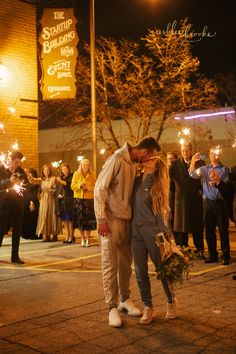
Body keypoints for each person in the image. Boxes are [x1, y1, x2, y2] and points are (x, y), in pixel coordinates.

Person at [94, 136, 161, 328]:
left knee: (125, 263)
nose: (150, 160)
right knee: (110, 264)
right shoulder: (116, 159)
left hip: (127, 221)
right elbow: (99, 188)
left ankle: (125, 299)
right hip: (110, 219)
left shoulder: (132, 163)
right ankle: (111, 307)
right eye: (151, 156)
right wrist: (101, 219)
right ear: (145, 152)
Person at [131, 155, 177, 324]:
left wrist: (165, 235)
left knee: (162, 268)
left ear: (156, 167)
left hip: (152, 231)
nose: (146, 160)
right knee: (140, 271)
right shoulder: (135, 179)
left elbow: (160, 212)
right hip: (135, 231)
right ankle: (148, 306)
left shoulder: (157, 184)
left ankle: (171, 301)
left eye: (151, 160)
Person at [189, 146, 231, 265]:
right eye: (212, 154)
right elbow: (192, 174)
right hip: (207, 203)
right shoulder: (204, 169)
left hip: (220, 203)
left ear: (219, 155)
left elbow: (227, 185)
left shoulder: (224, 169)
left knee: (223, 230)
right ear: (210, 155)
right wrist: (193, 161)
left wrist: (218, 180)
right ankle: (212, 255)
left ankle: (225, 255)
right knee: (209, 231)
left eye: (216, 154)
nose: (214, 156)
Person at [169, 143, 205, 257]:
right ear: (181, 151)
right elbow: (169, 179)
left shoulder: (199, 163)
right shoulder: (175, 164)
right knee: (182, 227)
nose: (185, 152)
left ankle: (200, 250)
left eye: (187, 150)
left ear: (191, 151)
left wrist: (201, 191)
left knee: (197, 227)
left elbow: (203, 179)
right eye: (183, 150)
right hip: (181, 200)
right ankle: (183, 249)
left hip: (195, 199)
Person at [0, 151, 29, 264]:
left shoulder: (22, 172)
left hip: (18, 206)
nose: (18, 164)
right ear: (11, 161)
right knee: (1, 230)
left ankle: (15, 256)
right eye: (16, 161)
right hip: (4, 205)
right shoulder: (2, 170)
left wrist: (25, 182)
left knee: (17, 231)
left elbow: (27, 187)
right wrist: (8, 181)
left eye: (20, 161)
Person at [28, 164, 60, 242]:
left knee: (52, 216)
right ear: (43, 171)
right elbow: (33, 180)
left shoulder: (53, 179)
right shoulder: (42, 179)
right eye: (45, 170)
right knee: (44, 216)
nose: (46, 171)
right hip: (44, 200)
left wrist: (50, 191)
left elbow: (57, 190)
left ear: (50, 171)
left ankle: (55, 235)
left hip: (52, 199)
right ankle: (46, 235)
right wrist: (28, 175)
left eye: (48, 170)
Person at [71, 159, 96, 247]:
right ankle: (82, 238)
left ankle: (88, 238)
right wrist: (79, 186)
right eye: (83, 165)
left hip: (89, 199)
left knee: (88, 220)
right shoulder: (76, 174)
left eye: (87, 165)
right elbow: (72, 186)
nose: (85, 166)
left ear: (89, 166)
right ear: (81, 165)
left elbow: (95, 186)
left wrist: (88, 187)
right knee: (80, 220)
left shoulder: (93, 174)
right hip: (79, 199)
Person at [56, 163, 74, 243]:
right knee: (65, 220)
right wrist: (60, 194)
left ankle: (71, 236)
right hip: (63, 201)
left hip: (70, 200)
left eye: (66, 169)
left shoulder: (71, 176)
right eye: (63, 169)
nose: (64, 170)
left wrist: (61, 181)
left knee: (70, 219)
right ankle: (67, 235)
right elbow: (60, 189)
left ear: (68, 169)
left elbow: (69, 186)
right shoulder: (62, 177)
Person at [22, 168, 40, 240]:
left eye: (29, 173)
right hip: (26, 201)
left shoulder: (35, 181)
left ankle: (34, 234)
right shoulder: (26, 181)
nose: (28, 175)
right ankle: (27, 234)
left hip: (33, 201)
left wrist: (32, 202)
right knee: (27, 218)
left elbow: (34, 192)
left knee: (33, 218)